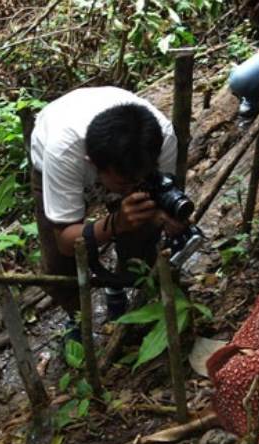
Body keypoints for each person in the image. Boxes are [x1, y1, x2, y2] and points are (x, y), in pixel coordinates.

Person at [30, 86, 183, 339]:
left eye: (140, 179)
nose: (133, 187)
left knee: (142, 233)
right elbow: (66, 242)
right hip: (55, 149)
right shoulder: (63, 152)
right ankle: (77, 317)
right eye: (125, 184)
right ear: (92, 164)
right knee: (58, 266)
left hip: (111, 148)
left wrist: (164, 217)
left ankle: (120, 284)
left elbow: (160, 197)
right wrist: (116, 223)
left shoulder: (162, 139)